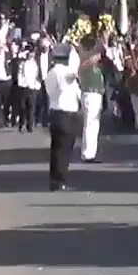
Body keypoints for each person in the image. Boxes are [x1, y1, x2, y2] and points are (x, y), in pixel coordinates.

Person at [44, 42, 82, 191]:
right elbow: (64, 83)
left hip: (60, 112)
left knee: (58, 147)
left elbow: (76, 90)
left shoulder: (55, 72)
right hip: (63, 112)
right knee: (63, 148)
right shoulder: (58, 72)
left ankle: (56, 177)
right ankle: (59, 179)